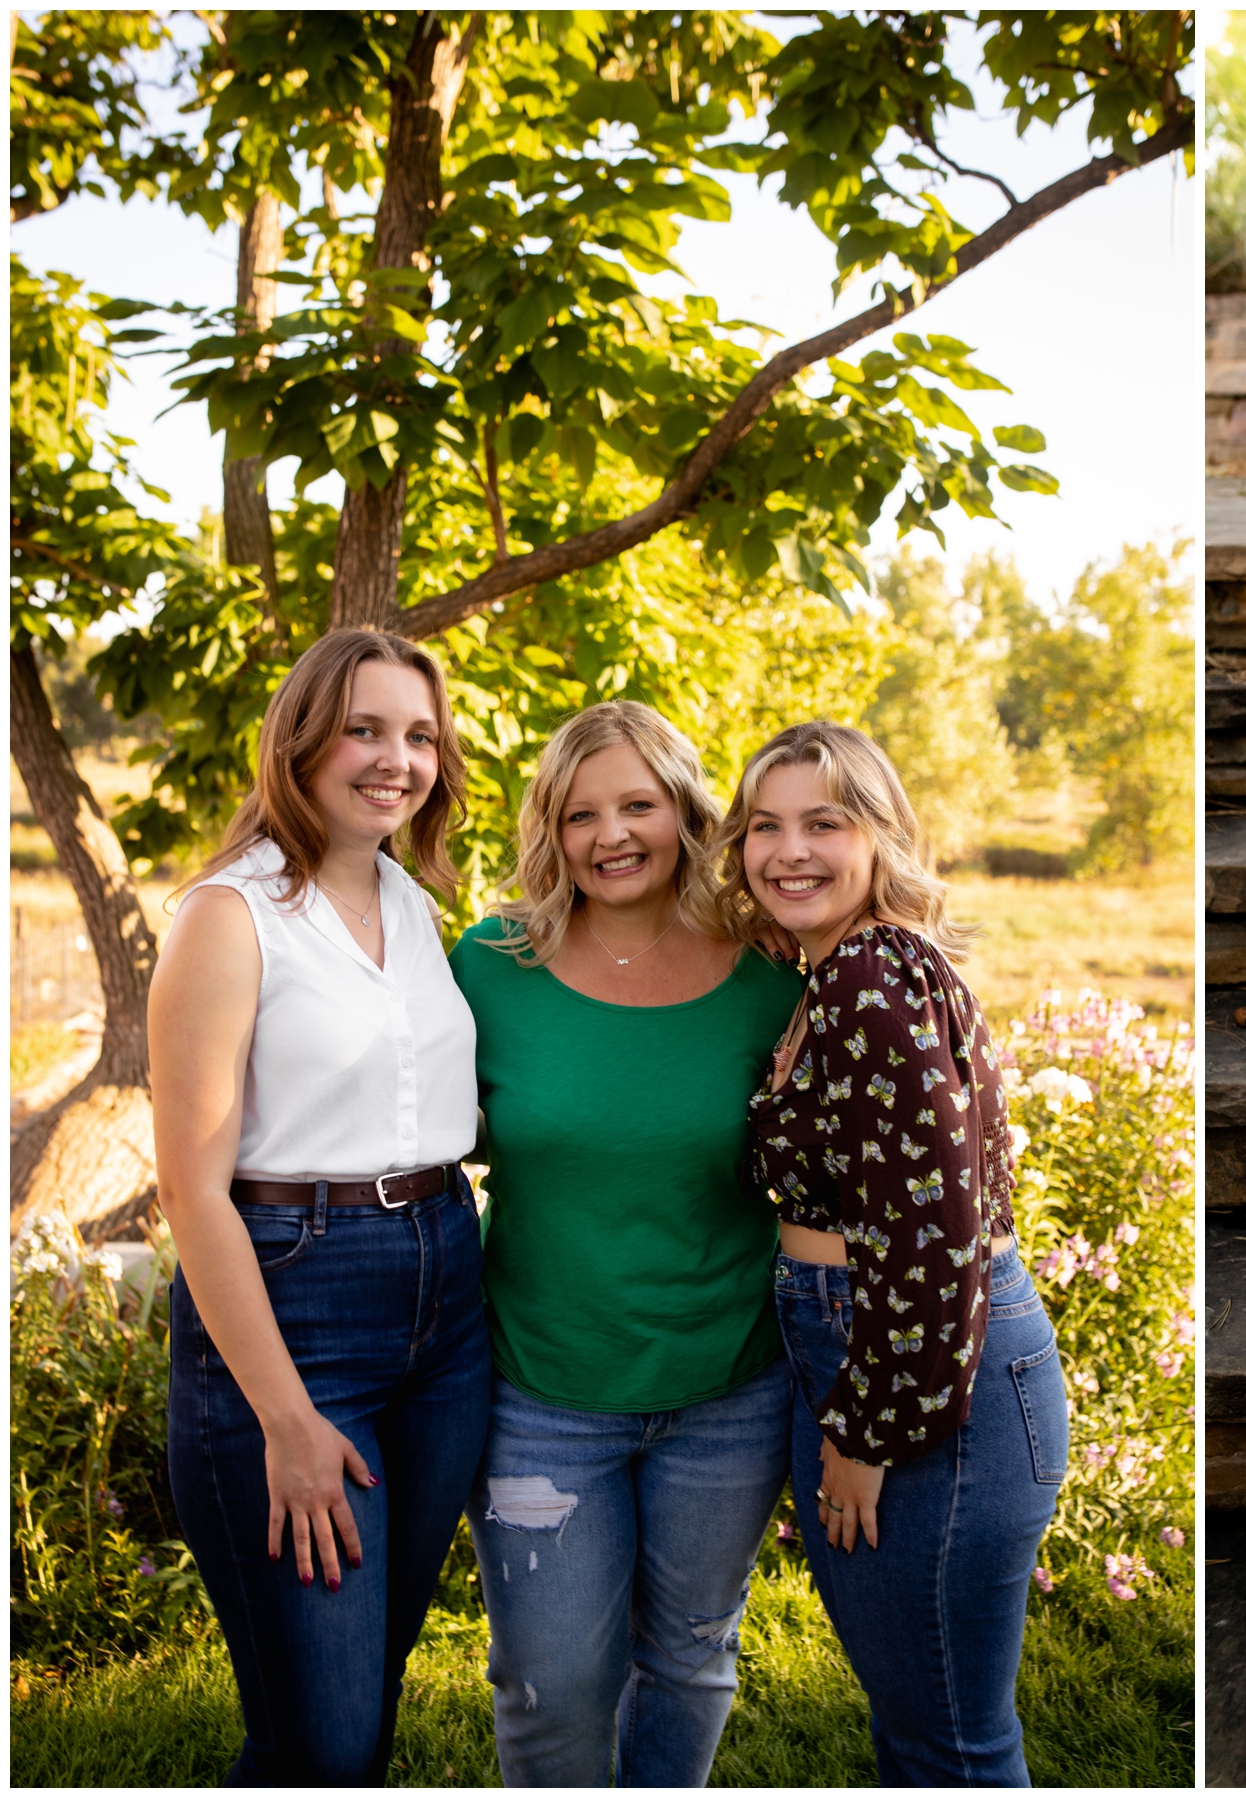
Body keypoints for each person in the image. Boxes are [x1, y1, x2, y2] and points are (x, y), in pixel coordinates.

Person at [155, 628, 488, 1784]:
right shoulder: (228, 916)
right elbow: (192, 1189)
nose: (395, 759)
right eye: (363, 728)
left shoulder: (413, 900)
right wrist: (286, 1418)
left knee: (361, 1677)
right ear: (300, 740)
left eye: (417, 735)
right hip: (296, 1301)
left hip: (446, 1295)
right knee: (329, 1736)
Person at [447, 702, 801, 1786]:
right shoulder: (491, 965)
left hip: (729, 1389)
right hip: (542, 1389)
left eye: (638, 804)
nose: (612, 835)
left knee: (690, 1656)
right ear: (548, 831)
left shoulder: (771, 969)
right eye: (579, 813)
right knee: (549, 1679)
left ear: (687, 813)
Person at [727, 721, 1067, 1786]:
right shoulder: (839, 972)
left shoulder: (873, 975)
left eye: (823, 822)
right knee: (926, 1729)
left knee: (949, 1743)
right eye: (764, 826)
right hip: (888, 1351)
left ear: (879, 836)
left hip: (915, 1380)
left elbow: (935, 1231)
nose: (789, 850)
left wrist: (867, 1433)